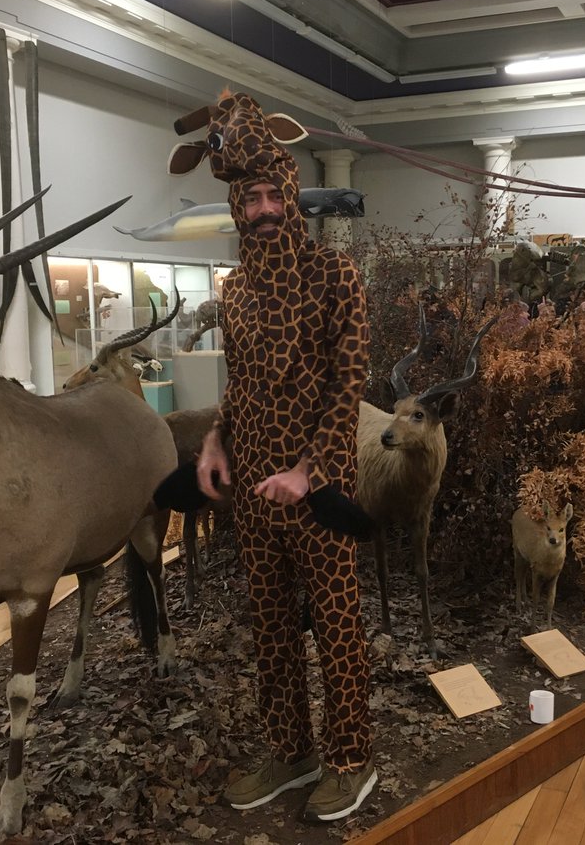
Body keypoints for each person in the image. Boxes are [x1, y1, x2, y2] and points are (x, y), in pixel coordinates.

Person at [193, 93, 376, 822]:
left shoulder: (335, 276)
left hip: (319, 491)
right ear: (237, 209)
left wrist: (309, 472)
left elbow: (348, 383)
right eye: (252, 199)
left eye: (274, 194)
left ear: (292, 196)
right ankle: (289, 749)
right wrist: (216, 439)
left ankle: (352, 758)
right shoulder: (235, 292)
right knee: (270, 630)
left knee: (336, 626)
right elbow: (240, 383)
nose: (265, 209)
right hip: (255, 492)